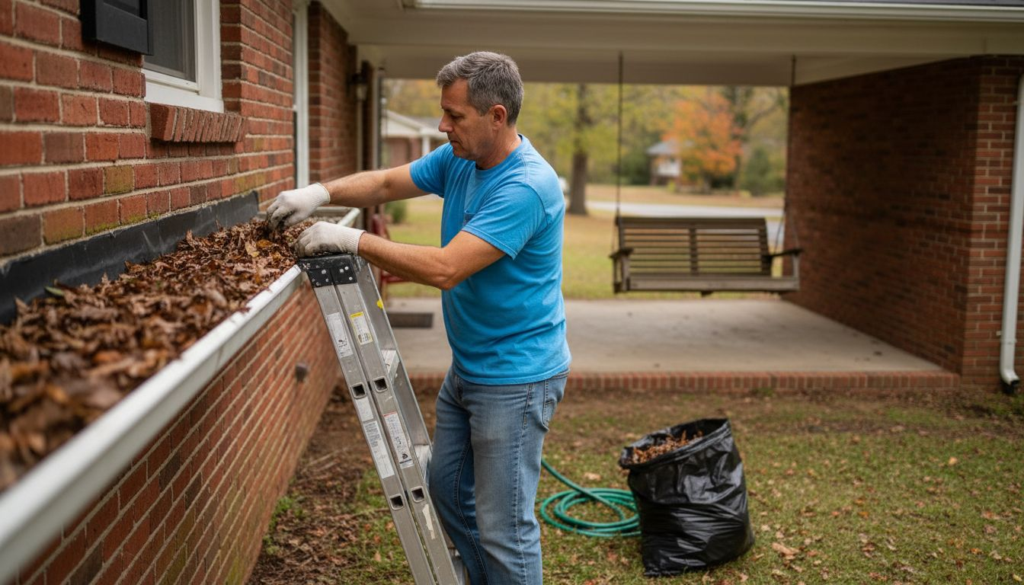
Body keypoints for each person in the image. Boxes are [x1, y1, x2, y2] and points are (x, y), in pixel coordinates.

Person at [267, 51, 571, 585]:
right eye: (443, 112)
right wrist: (319, 193)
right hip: (471, 367)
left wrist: (352, 240)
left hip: (516, 379)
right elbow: (387, 183)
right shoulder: (460, 158)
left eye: (455, 115)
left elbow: (447, 268)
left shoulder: (526, 186)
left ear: (496, 116)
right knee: (447, 491)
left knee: (505, 530)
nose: (442, 125)